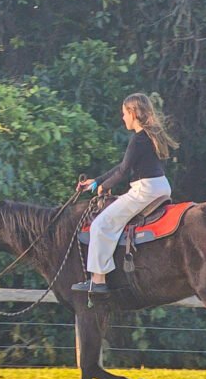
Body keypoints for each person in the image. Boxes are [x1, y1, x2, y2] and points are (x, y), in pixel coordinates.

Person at [72, 93, 178, 294]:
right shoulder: (148, 136)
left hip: (144, 190)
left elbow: (122, 172)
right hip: (159, 186)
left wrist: (103, 188)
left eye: (124, 113)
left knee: (100, 225)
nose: (122, 118)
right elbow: (123, 166)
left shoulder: (138, 139)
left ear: (132, 113)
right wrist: (96, 182)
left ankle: (98, 279)